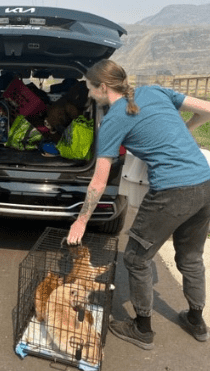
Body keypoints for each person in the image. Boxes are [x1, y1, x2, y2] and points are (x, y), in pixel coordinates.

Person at [67, 59, 210, 349]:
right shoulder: (154, 91)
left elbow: (99, 180)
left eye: (90, 88)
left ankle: (142, 328)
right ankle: (196, 320)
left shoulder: (113, 120)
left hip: (173, 191)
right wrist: (187, 129)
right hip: (205, 183)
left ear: (103, 87)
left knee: (135, 258)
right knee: (191, 257)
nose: (89, 93)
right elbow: (207, 109)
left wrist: (81, 220)